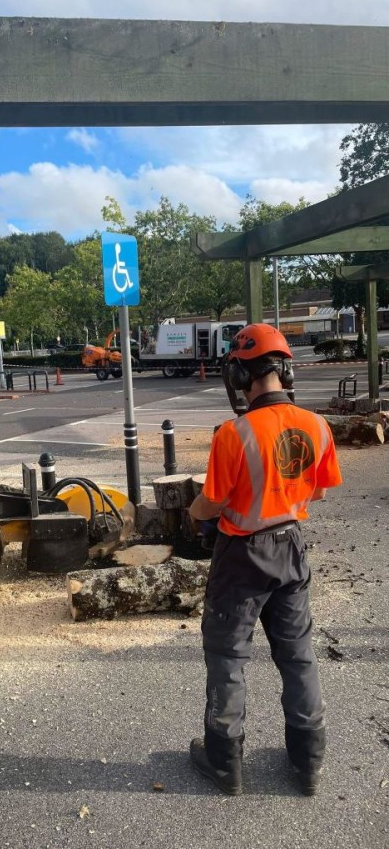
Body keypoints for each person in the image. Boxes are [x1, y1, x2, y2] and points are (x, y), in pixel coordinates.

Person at [188, 323, 342, 797]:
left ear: (240, 375)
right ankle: (308, 759)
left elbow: (211, 504)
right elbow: (316, 487)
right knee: (297, 655)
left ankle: (225, 762)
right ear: (284, 370)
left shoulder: (233, 435)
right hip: (290, 547)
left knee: (228, 655)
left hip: (241, 556)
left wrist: (193, 515)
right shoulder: (317, 425)